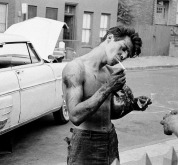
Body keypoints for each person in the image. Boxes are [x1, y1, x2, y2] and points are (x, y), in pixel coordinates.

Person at [62, 25, 152, 165]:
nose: (123, 56)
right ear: (109, 38)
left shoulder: (110, 72)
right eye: (123, 48)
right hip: (86, 142)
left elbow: (108, 113)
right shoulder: (76, 68)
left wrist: (133, 105)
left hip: (110, 139)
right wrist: (108, 87)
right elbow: (75, 116)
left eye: (127, 55)